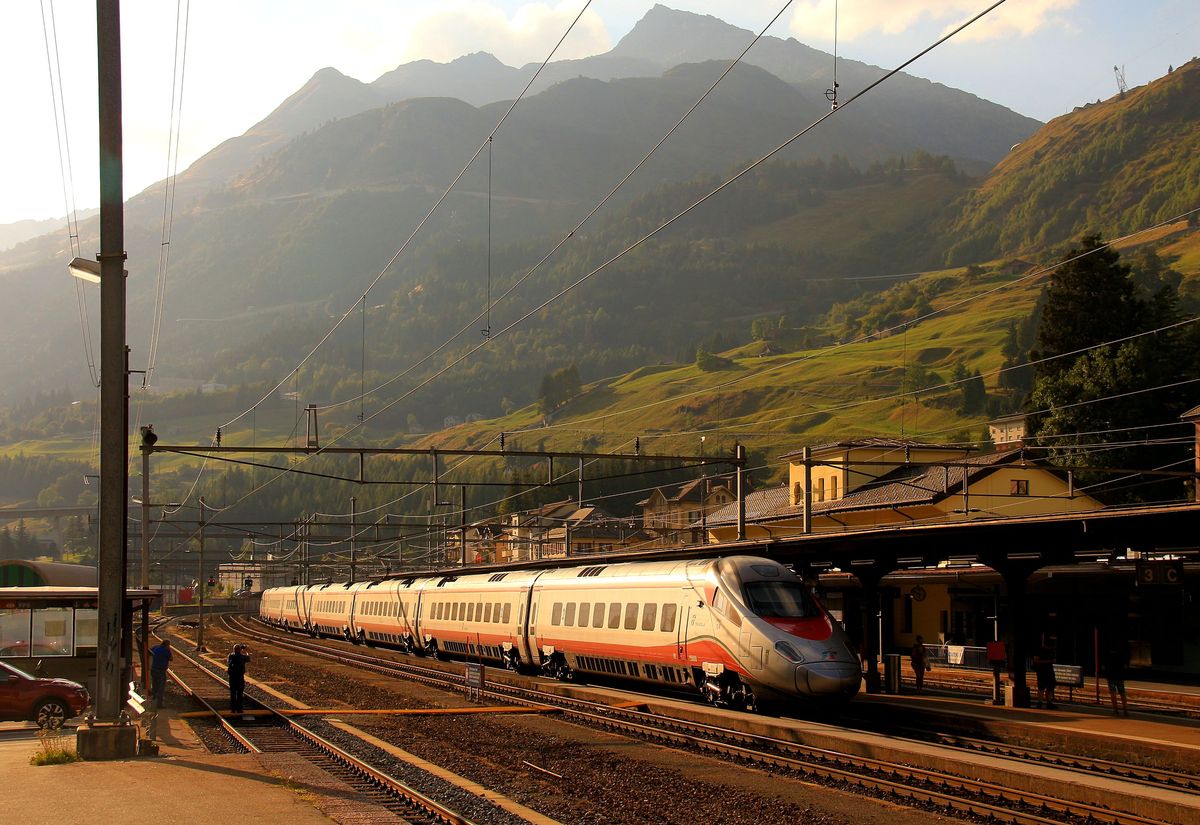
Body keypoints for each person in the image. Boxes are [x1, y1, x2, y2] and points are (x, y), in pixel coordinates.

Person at [1104, 643, 1129, 716]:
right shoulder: (1121, 653)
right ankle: (1125, 710)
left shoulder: (1108, 654)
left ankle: (1115, 710)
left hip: (1111, 676)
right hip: (1120, 676)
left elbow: (1104, 665)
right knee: (1122, 692)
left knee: (1113, 692)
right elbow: (1125, 666)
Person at [227, 643, 251, 714]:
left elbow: (228, 662)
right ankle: (239, 709)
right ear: (240, 650)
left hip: (232, 678)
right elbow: (248, 658)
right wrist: (246, 650)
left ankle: (233, 709)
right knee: (240, 694)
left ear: (233, 649)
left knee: (233, 693)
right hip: (240, 678)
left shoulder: (230, 656)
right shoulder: (242, 657)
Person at [149, 638, 172, 709]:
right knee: (161, 688)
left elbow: (149, 651)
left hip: (153, 669)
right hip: (161, 671)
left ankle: (152, 701)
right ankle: (159, 704)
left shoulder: (155, 647)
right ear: (167, 645)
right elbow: (171, 658)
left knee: (154, 685)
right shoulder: (166, 650)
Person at [1033, 643, 1057, 709]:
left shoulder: (1052, 651)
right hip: (1042, 671)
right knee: (1041, 687)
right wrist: (1049, 661)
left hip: (1049, 670)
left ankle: (1048, 702)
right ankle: (1040, 702)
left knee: (1050, 687)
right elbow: (1036, 661)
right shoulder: (1039, 650)